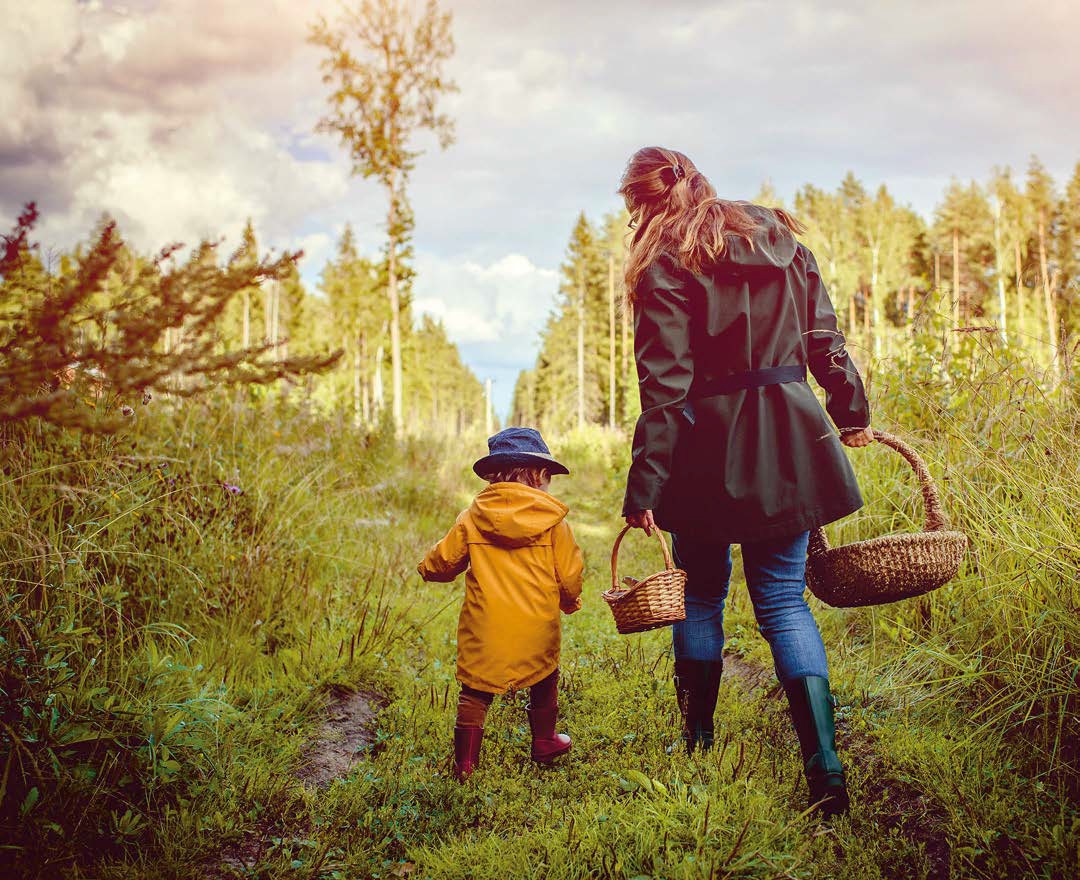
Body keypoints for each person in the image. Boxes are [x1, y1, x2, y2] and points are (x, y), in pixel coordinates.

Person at [618, 146, 874, 817]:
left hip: (705, 450)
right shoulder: (782, 241)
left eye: (632, 209)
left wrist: (645, 486)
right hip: (791, 439)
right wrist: (851, 412)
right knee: (784, 602)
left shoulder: (663, 261)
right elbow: (826, 342)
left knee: (701, 597)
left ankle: (698, 745)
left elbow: (665, 389)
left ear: (643, 202)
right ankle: (825, 768)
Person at [417, 427, 584, 781]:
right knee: (545, 676)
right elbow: (569, 575)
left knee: (474, 694)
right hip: (537, 627)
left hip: (484, 630)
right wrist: (570, 601)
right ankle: (544, 741)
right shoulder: (554, 523)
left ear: (494, 476)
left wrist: (426, 569)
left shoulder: (471, 518)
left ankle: (465, 765)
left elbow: (443, 562)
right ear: (540, 475)